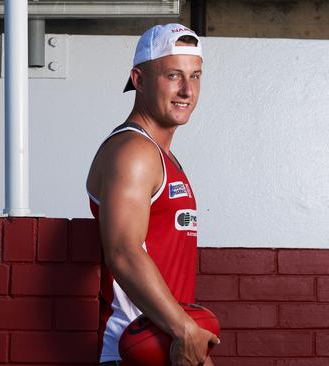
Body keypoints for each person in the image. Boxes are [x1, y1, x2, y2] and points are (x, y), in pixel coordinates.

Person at [86, 23, 219, 366]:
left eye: (196, 76)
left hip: (169, 346)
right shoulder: (132, 151)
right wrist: (186, 332)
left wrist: (187, 338)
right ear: (139, 80)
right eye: (173, 75)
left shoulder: (161, 155)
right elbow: (123, 251)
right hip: (131, 351)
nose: (187, 90)